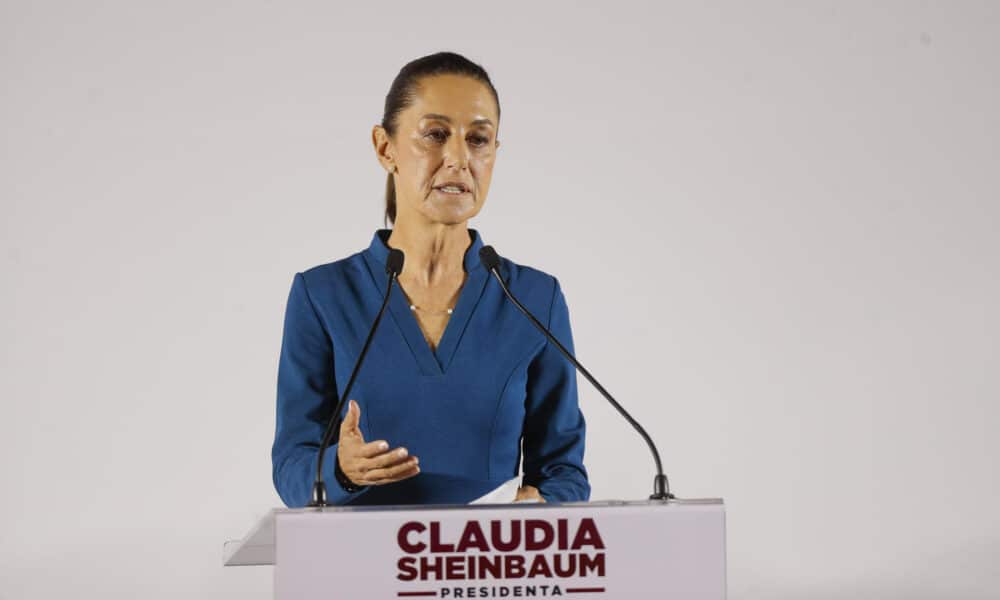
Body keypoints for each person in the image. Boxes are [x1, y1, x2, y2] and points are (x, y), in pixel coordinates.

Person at [270, 51, 590, 507]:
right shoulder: (323, 295)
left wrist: (543, 503)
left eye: (479, 139)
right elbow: (292, 466)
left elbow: (563, 470)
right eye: (436, 135)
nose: (459, 158)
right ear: (386, 148)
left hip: (482, 569)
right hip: (359, 567)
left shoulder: (533, 299)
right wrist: (340, 468)